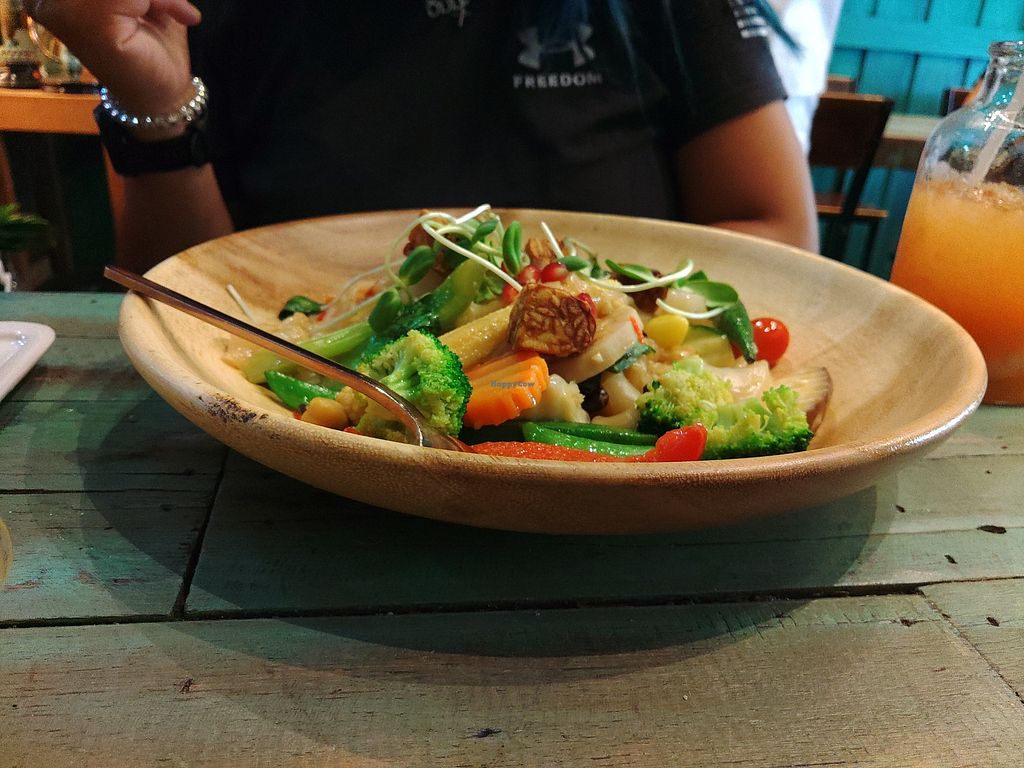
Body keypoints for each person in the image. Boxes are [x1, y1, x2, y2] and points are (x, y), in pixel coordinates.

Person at [28, 0, 817, 273]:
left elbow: (778, 229)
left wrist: (563, 294)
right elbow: (179, 293)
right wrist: (153, 97)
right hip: (295, 479)